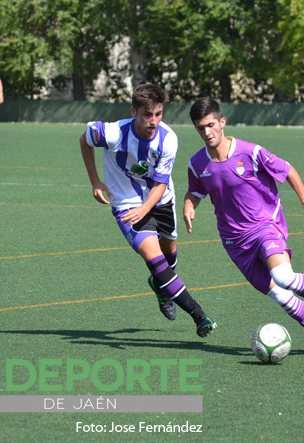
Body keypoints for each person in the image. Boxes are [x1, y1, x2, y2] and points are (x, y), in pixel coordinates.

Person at [184, 97, 304, 356]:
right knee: (280, 295)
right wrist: (189, 205)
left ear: (222, 122)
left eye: (211, 125)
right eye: (200, 128)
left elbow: (288, 170)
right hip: (234, 241)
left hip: (265, 226)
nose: (207, 132)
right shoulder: (197, 163)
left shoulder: (250, 152)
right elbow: (195, 191)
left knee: (283, 277)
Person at [79, 84, 216, 337]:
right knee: (155, 261)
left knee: (170, 258)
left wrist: (146, 208)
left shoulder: (168, 139)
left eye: (158, 114)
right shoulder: (111, 132)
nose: (153, 121)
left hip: (161, 200)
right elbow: (84, 139)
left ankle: (159, 286)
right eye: (147, 114)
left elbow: (161, 183)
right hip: (127, 207)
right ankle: (199, 316)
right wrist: (95, 181)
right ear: (134, 111)